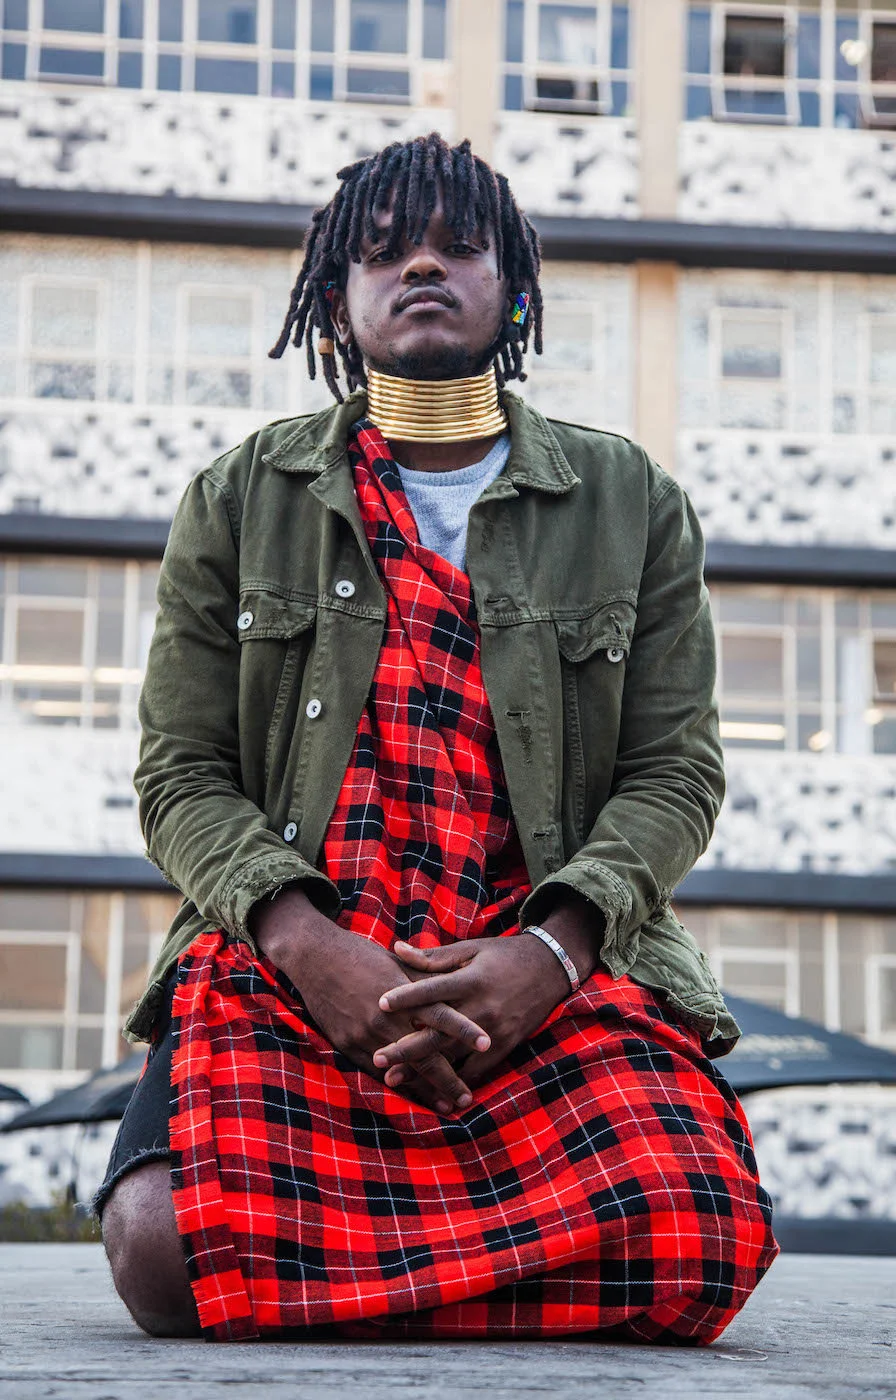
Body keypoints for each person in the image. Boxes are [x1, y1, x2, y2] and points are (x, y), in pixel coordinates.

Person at [97, 132, 777, 1343]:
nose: (420, 266)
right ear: (335, 301)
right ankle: (467, 1276)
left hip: (538, 962)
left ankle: (353, 1284)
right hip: (294, 956)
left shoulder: (630, 501)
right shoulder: (239, 497)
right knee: (162, 1252)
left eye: (457, 247)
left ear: (511, 290)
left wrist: (548, 954)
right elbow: (179, 773)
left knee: (697, 1228)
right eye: (382, 252)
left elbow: (675, 773)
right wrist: (311, 947)